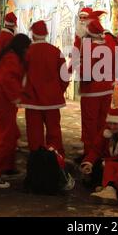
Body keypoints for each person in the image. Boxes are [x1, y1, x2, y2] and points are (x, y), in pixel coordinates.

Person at [0, 33, 31, 188]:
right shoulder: (11, 58)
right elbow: (8, 79)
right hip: (3, 103)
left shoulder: (4, 56)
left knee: (8, 137)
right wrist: (16, 96)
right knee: (5, 139)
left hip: (0, 102)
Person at [72, 10, 116, 160]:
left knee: (90, 123)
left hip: (91, 90)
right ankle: (101, 151)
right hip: (106, 89)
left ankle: (89, 155)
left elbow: (85, 72)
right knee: (102, 123)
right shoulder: (109, 42)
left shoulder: (89, 45)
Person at [20, 20, 69, 156]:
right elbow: (65, 76)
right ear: (46, 34)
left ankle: (37, 160)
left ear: (33, 34)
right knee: (54, 131)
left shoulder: (27, 53)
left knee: (34, 133)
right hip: (53, 100)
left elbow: (21, 75)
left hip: (32, 101)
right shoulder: (56, 51)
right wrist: (59, 91)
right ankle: (57, 158)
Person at [80, 108, 118, 189]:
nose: (112, 127)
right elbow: (96, 149)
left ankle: (103, 186)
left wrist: (108, 161)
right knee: (93, 164)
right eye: (110, 123)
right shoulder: (106, 130)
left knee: (106, 167)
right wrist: (88, 163)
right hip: (107, 160)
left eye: (115, 124)